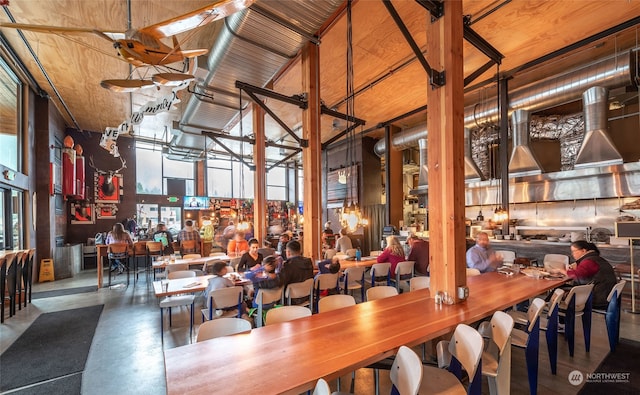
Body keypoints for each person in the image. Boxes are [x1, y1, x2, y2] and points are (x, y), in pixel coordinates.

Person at [550, 241, 617, 310]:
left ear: (583, 250)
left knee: (557, 291)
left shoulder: (589, 261)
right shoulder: (595, 258)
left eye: (574, 251)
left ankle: (551, 313)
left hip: (597, 297)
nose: (572, 254)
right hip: (605, 294)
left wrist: (561, 270)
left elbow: (578, 276)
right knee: (561, 288)